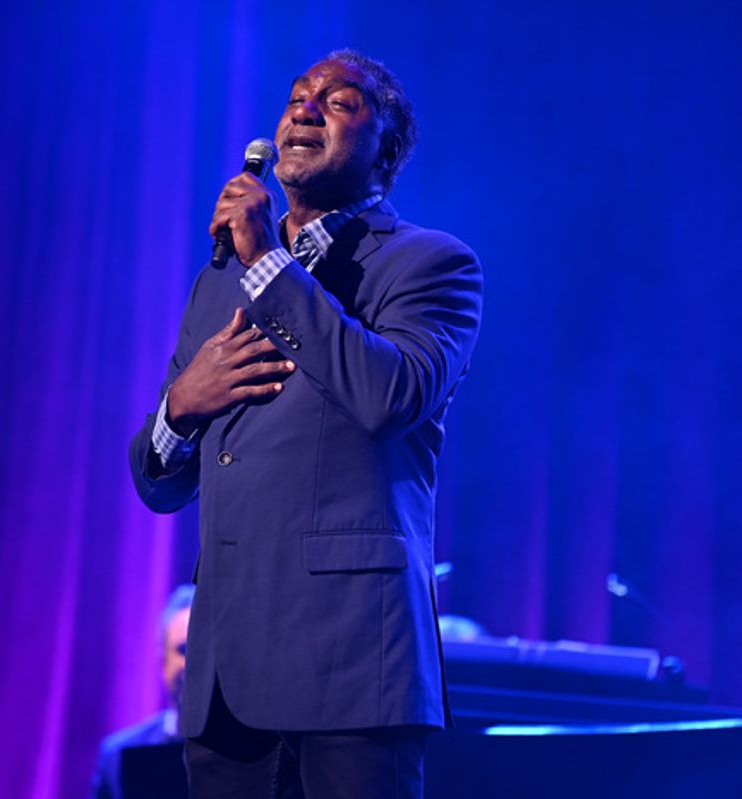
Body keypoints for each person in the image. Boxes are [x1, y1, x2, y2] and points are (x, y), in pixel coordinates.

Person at [129, 48, 482, 798]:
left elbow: (391, 394)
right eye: (296, 96)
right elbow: (159, 481)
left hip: (353, 665)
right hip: (226, 678)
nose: (304, 107)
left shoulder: (429, 265)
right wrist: (179, 408)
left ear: (384, 145)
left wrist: (268, 264)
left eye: (340, 100)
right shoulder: (217, 281)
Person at [88, 584, 194, 799]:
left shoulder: (254, 755)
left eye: (203, 650)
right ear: (163, 661)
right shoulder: (117, 755)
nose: (193, 663)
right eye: (183, 650)